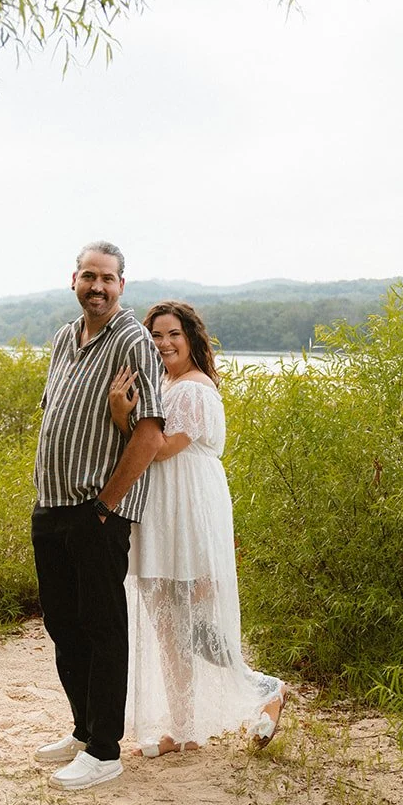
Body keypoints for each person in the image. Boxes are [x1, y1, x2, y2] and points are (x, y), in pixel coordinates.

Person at [108, 301, 285, 758]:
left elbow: (162, 449)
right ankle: (182, 727)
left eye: (173, 335)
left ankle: (264, 688)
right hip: (162, 509)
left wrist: (122, 417)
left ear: (191, 340)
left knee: (197, 623)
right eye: (155, 337)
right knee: (168, 627)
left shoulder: (192, 390)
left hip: (189, 509)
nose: (164, 343)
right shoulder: (165, 384)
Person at [31, 241, 166, 791]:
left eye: (107, 278)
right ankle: (84, 731)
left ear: (122, 286)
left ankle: (106, 751)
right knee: (63, 625)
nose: (97, 287)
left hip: (96, 512)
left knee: (102, 627)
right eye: (89, 276)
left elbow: (151, 432)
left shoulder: (133, 341)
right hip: (51, 507)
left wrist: (106, 506)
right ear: (73, 280)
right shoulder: (66, 338)